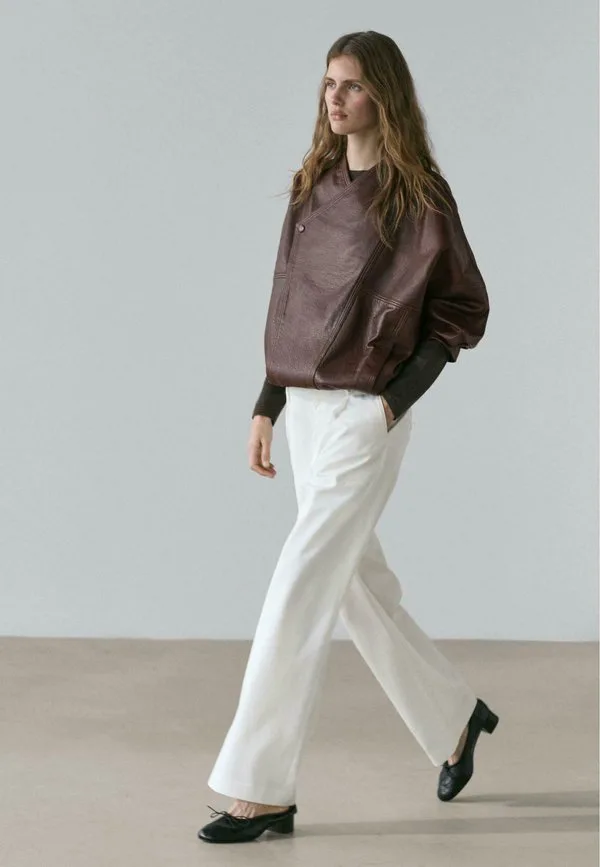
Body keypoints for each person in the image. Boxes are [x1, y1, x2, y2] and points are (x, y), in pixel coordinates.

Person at [198, 30, 499, 845]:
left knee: (299, 584)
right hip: (305, 407)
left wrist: (392, 404)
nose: (335, 98)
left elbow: (461, 309)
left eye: (353, 85)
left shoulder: (419, 197)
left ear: (384, 96)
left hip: (365, 412)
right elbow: (289, 299)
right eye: (329, 83)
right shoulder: (313, 185)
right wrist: (268, 400)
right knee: (356, 587)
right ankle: (456, 718)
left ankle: (259, 788)